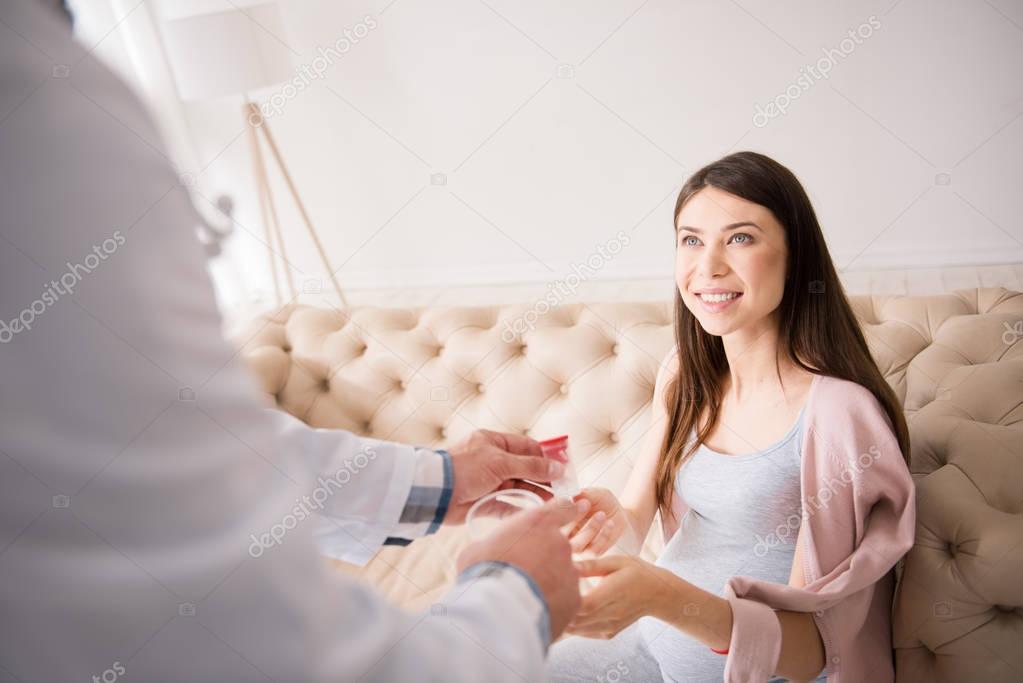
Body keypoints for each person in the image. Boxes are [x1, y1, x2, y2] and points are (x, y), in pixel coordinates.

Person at [0, 2, 589, 681]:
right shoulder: (41, 114)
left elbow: (184, 445)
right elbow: (286, 651)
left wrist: (442, 478)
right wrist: (518, 595)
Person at [548, 152, 916, 682]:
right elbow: (634, 518)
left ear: (796, 255)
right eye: (691, 240)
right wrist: (604, 523)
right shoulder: (685, 376)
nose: (709, 267)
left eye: (740, 238)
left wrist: (660, 595)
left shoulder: (837, 413)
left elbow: (813, 650)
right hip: (646, 655)